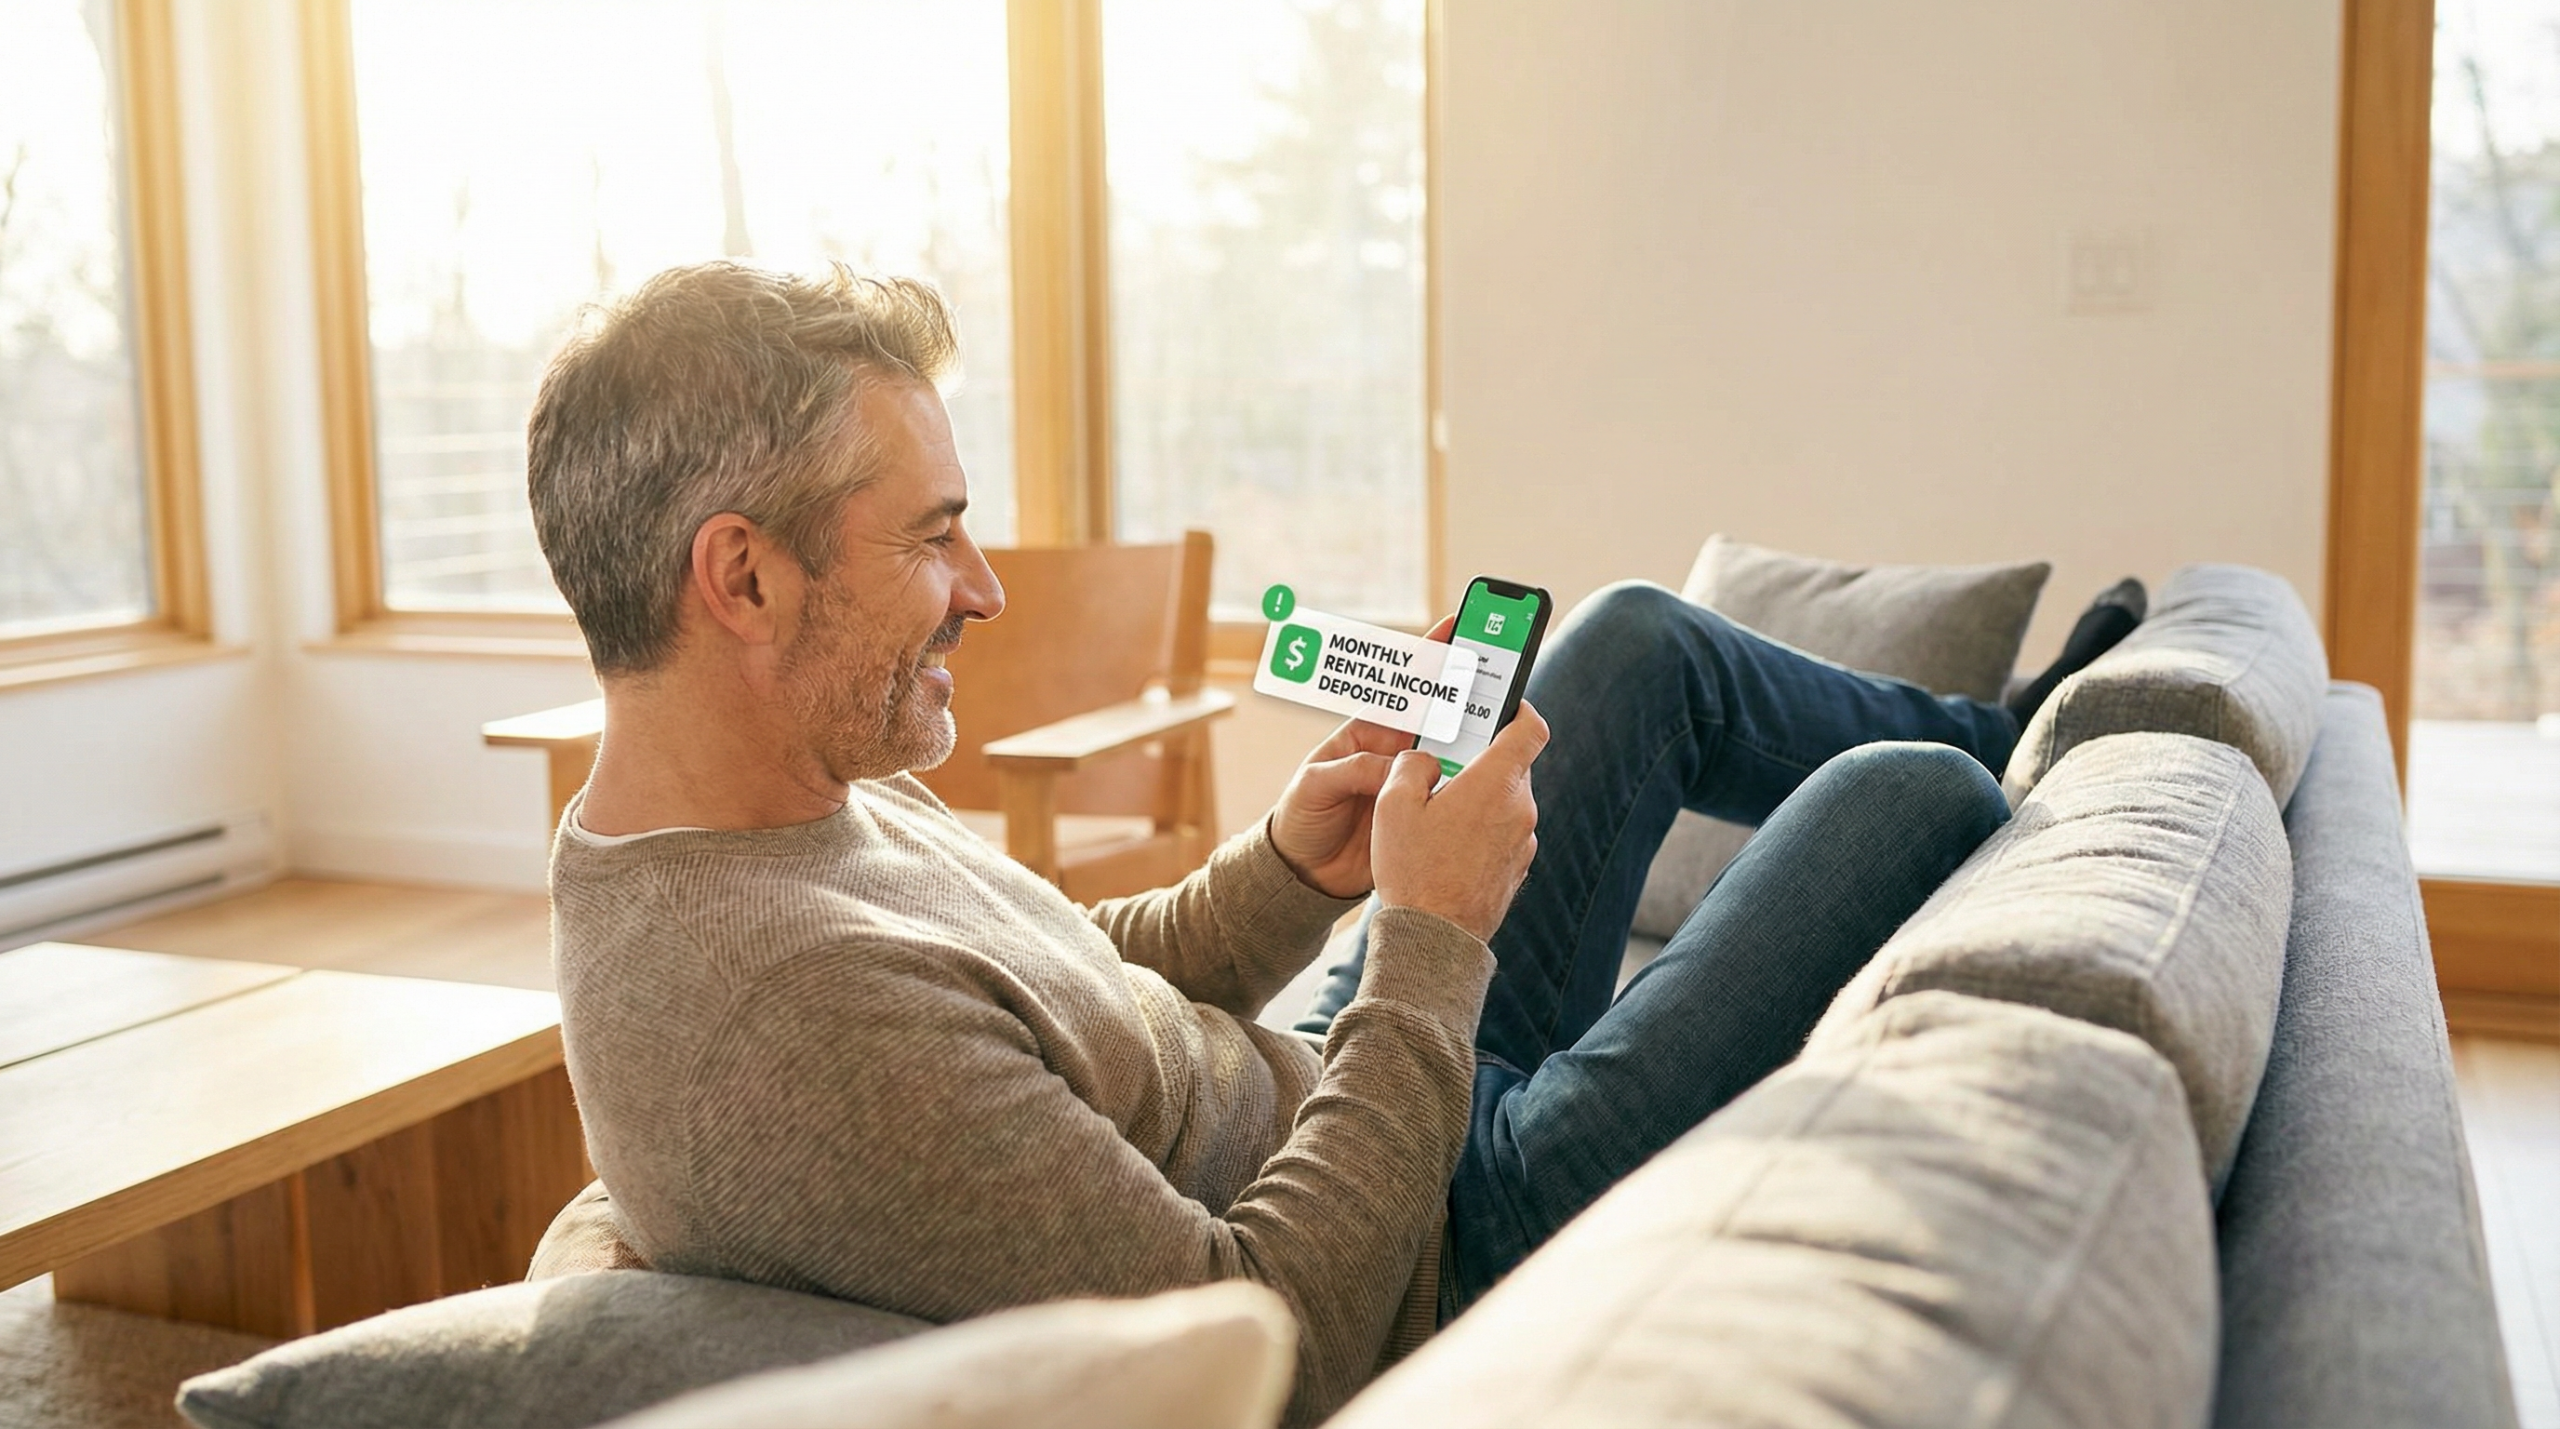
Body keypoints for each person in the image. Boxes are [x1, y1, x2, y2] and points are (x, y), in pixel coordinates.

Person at [525, 262, 2142, 1426]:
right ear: (742, 580)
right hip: (1440, 1238)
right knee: (1904, 802)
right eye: (934, 537)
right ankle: (1986, 751)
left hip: (1353, 1089)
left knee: (1641, 644)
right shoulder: (775, 1023)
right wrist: (1430, 941)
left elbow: (1065, 984)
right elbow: (1270, 1330)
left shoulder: (801, 787)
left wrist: (1297, 867)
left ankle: (2025, 712)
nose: (985, 588)